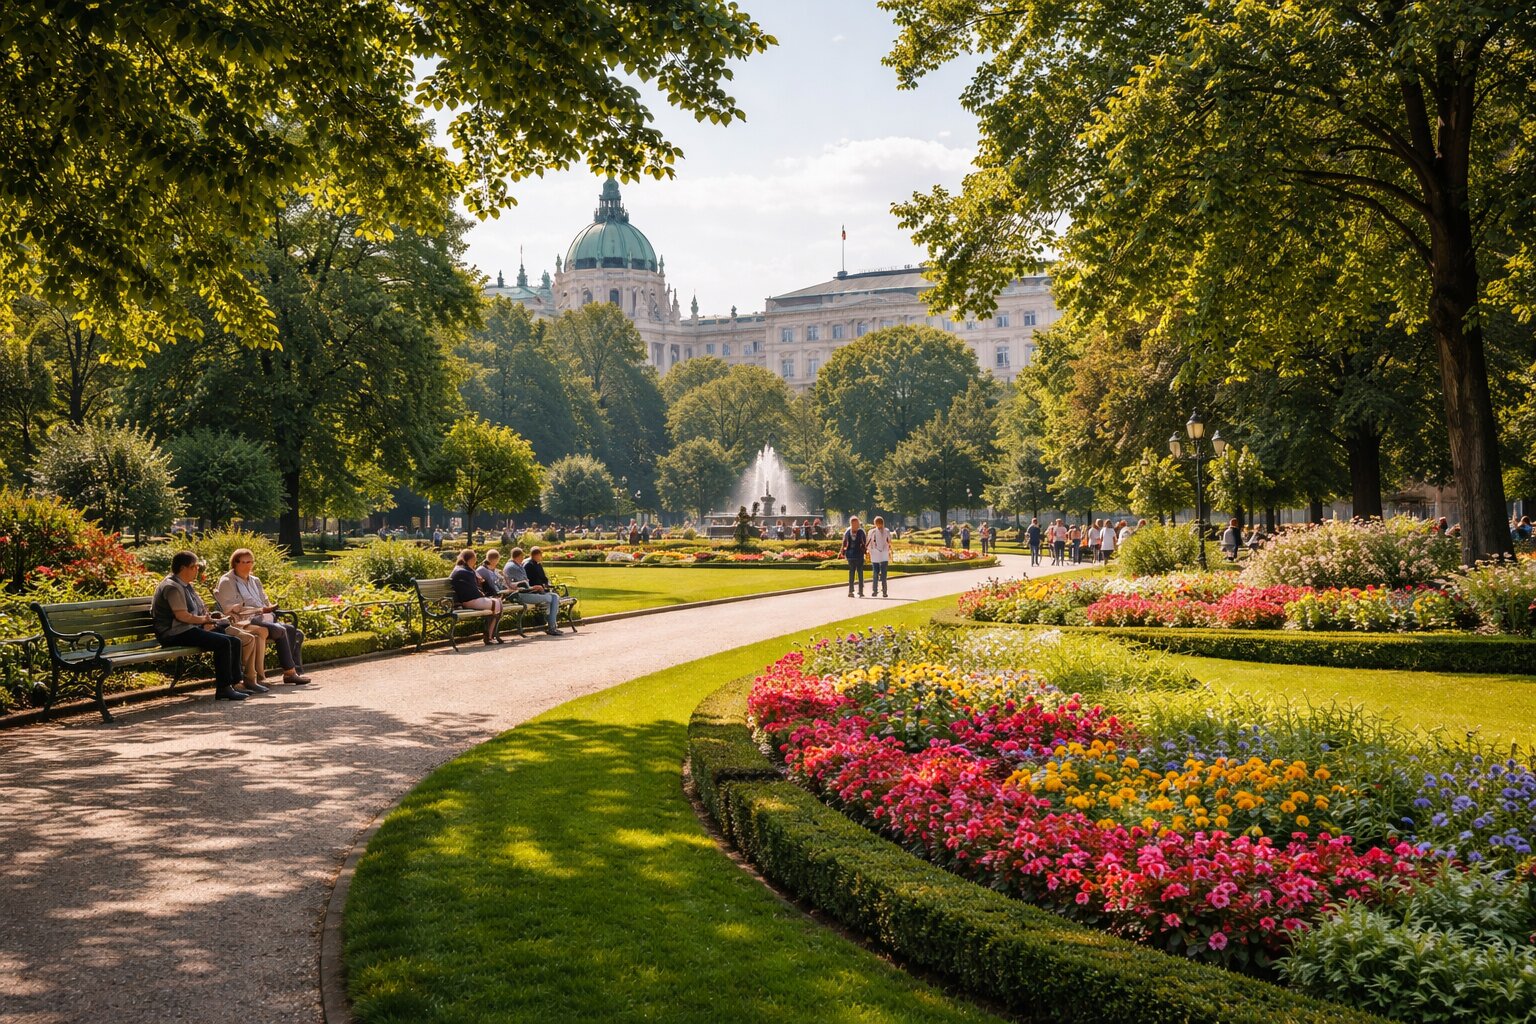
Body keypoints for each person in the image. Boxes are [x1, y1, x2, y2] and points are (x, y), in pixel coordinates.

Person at [153, 551, 253, 702]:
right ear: (183, 568)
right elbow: (182, 616)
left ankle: (234, 684)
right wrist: (204, 621)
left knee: (234, 640)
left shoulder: (185, 585)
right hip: (174, 633)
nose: (197, 570)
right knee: (223, 643)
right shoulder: (172, 587)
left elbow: (194, 613)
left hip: (188, 629)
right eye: (195, 566)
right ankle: (224, 689)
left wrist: (210, 619)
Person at [216, 548, 311, 687]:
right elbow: (230, 608)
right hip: (245, 619)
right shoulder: (227, 581)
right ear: (235, 563)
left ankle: (292, 672)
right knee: (281, 630)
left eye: (250, 562)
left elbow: (265, 601)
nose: (248, 565)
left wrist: (270, 607)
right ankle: (290, 672)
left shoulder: (255, 580)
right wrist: (259, 610)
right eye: (244, 562)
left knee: (293, 630)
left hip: (263, 617)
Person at [505, 547, 563, 635]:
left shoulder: (515, 565)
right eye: (522, 557)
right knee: (553, 598)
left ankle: (552, 626)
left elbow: (525, 583)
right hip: (522, 595)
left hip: (525, 593)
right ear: (520, 556)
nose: (523, 559)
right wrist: (535, 587)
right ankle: (552, 627)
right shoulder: (514, 567)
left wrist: (535, 587)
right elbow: (524, 585)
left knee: (554, 598)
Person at [450, 548, 503, 644]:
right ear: (471, 560)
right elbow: (472, 592)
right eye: (474, 560)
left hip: (466, 600)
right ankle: (490, 636)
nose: (475, 562)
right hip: (470, 601)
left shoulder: (461, 569)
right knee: (498, 603)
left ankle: (489, 634)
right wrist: (482, 595)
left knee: (496, 603)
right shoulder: (466, 571)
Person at [840, 516, 868, 597]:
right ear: (851, 523)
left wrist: (864, 550)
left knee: (859, 573)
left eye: (857, 523)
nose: (856, 525)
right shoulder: (849, 532)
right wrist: (842, 552)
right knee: (852, 573)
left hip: (858, 555)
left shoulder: (859, 532)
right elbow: (844, 543)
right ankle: (851, 591)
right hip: (851, 555)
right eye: (854, 523)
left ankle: (860, 591)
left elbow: (864, 543)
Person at [868, 515, 892, 598]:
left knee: (883, 574)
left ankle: (884, 591)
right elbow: (869, 543)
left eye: (880, 523)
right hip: (875, 555)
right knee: (875, 573)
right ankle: (875, 590)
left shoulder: (886, 531)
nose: (879, 525)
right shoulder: (872, 532)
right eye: (877, 523)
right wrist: (870, 551)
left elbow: (889, 542)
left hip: (884, 554)